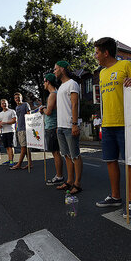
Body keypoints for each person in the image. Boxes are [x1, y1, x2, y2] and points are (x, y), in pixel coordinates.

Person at [94, 37, 131, 218]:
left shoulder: (126, 66)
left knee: (130, 163)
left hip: (126, 123)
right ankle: (115, 197)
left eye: (97, 52)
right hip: (107, 124)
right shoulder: (101, 73)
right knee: (110, 161)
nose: (95, 56)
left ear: (106, 52)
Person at [54, 61, 83, 194]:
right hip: (61, 127)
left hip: (70, 126)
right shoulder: (61, 86)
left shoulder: (72, 84)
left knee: (75, 155)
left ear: (62, 69)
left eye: (55, 69)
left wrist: (75, 124)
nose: (54, 71)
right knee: (66, 155)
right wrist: (58, 126)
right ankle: (69, 181)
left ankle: (77, 183)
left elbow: (74, 104)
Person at [40, 73, 64, 185]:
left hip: (52, 127)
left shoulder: (53, 94)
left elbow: (48, 112)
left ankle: (59, 176)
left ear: (48, 82)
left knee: (56, 153)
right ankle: (59, 175)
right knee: (56, 152)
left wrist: (42, 109)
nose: (43, 84)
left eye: (44, 82)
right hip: (53, 126)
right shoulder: (56, 93)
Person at [11, 93, 32, 170]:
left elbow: (29, 114)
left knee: (23, 147)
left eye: (18, 97)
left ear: (21, 98)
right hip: (19, 128)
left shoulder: (25, 104)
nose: (17, 99)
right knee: (26, 147)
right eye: (16, 98)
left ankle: (19, 164)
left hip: (25, 128)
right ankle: (30, 163)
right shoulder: (16, 107)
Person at [0, 99, 17, 165]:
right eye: (2, 103)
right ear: (1, 105)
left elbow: (14, 121)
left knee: (10, 146)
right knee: (7, 147)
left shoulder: (12, 111)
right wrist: (0, 125)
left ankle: (11, 161)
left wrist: (6, 123)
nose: (4, 105)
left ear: (7, 104)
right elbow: (0, 123)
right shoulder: (0, 114)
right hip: (4, 132)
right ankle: (9, 159)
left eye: (5, 103)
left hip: (10, 131)